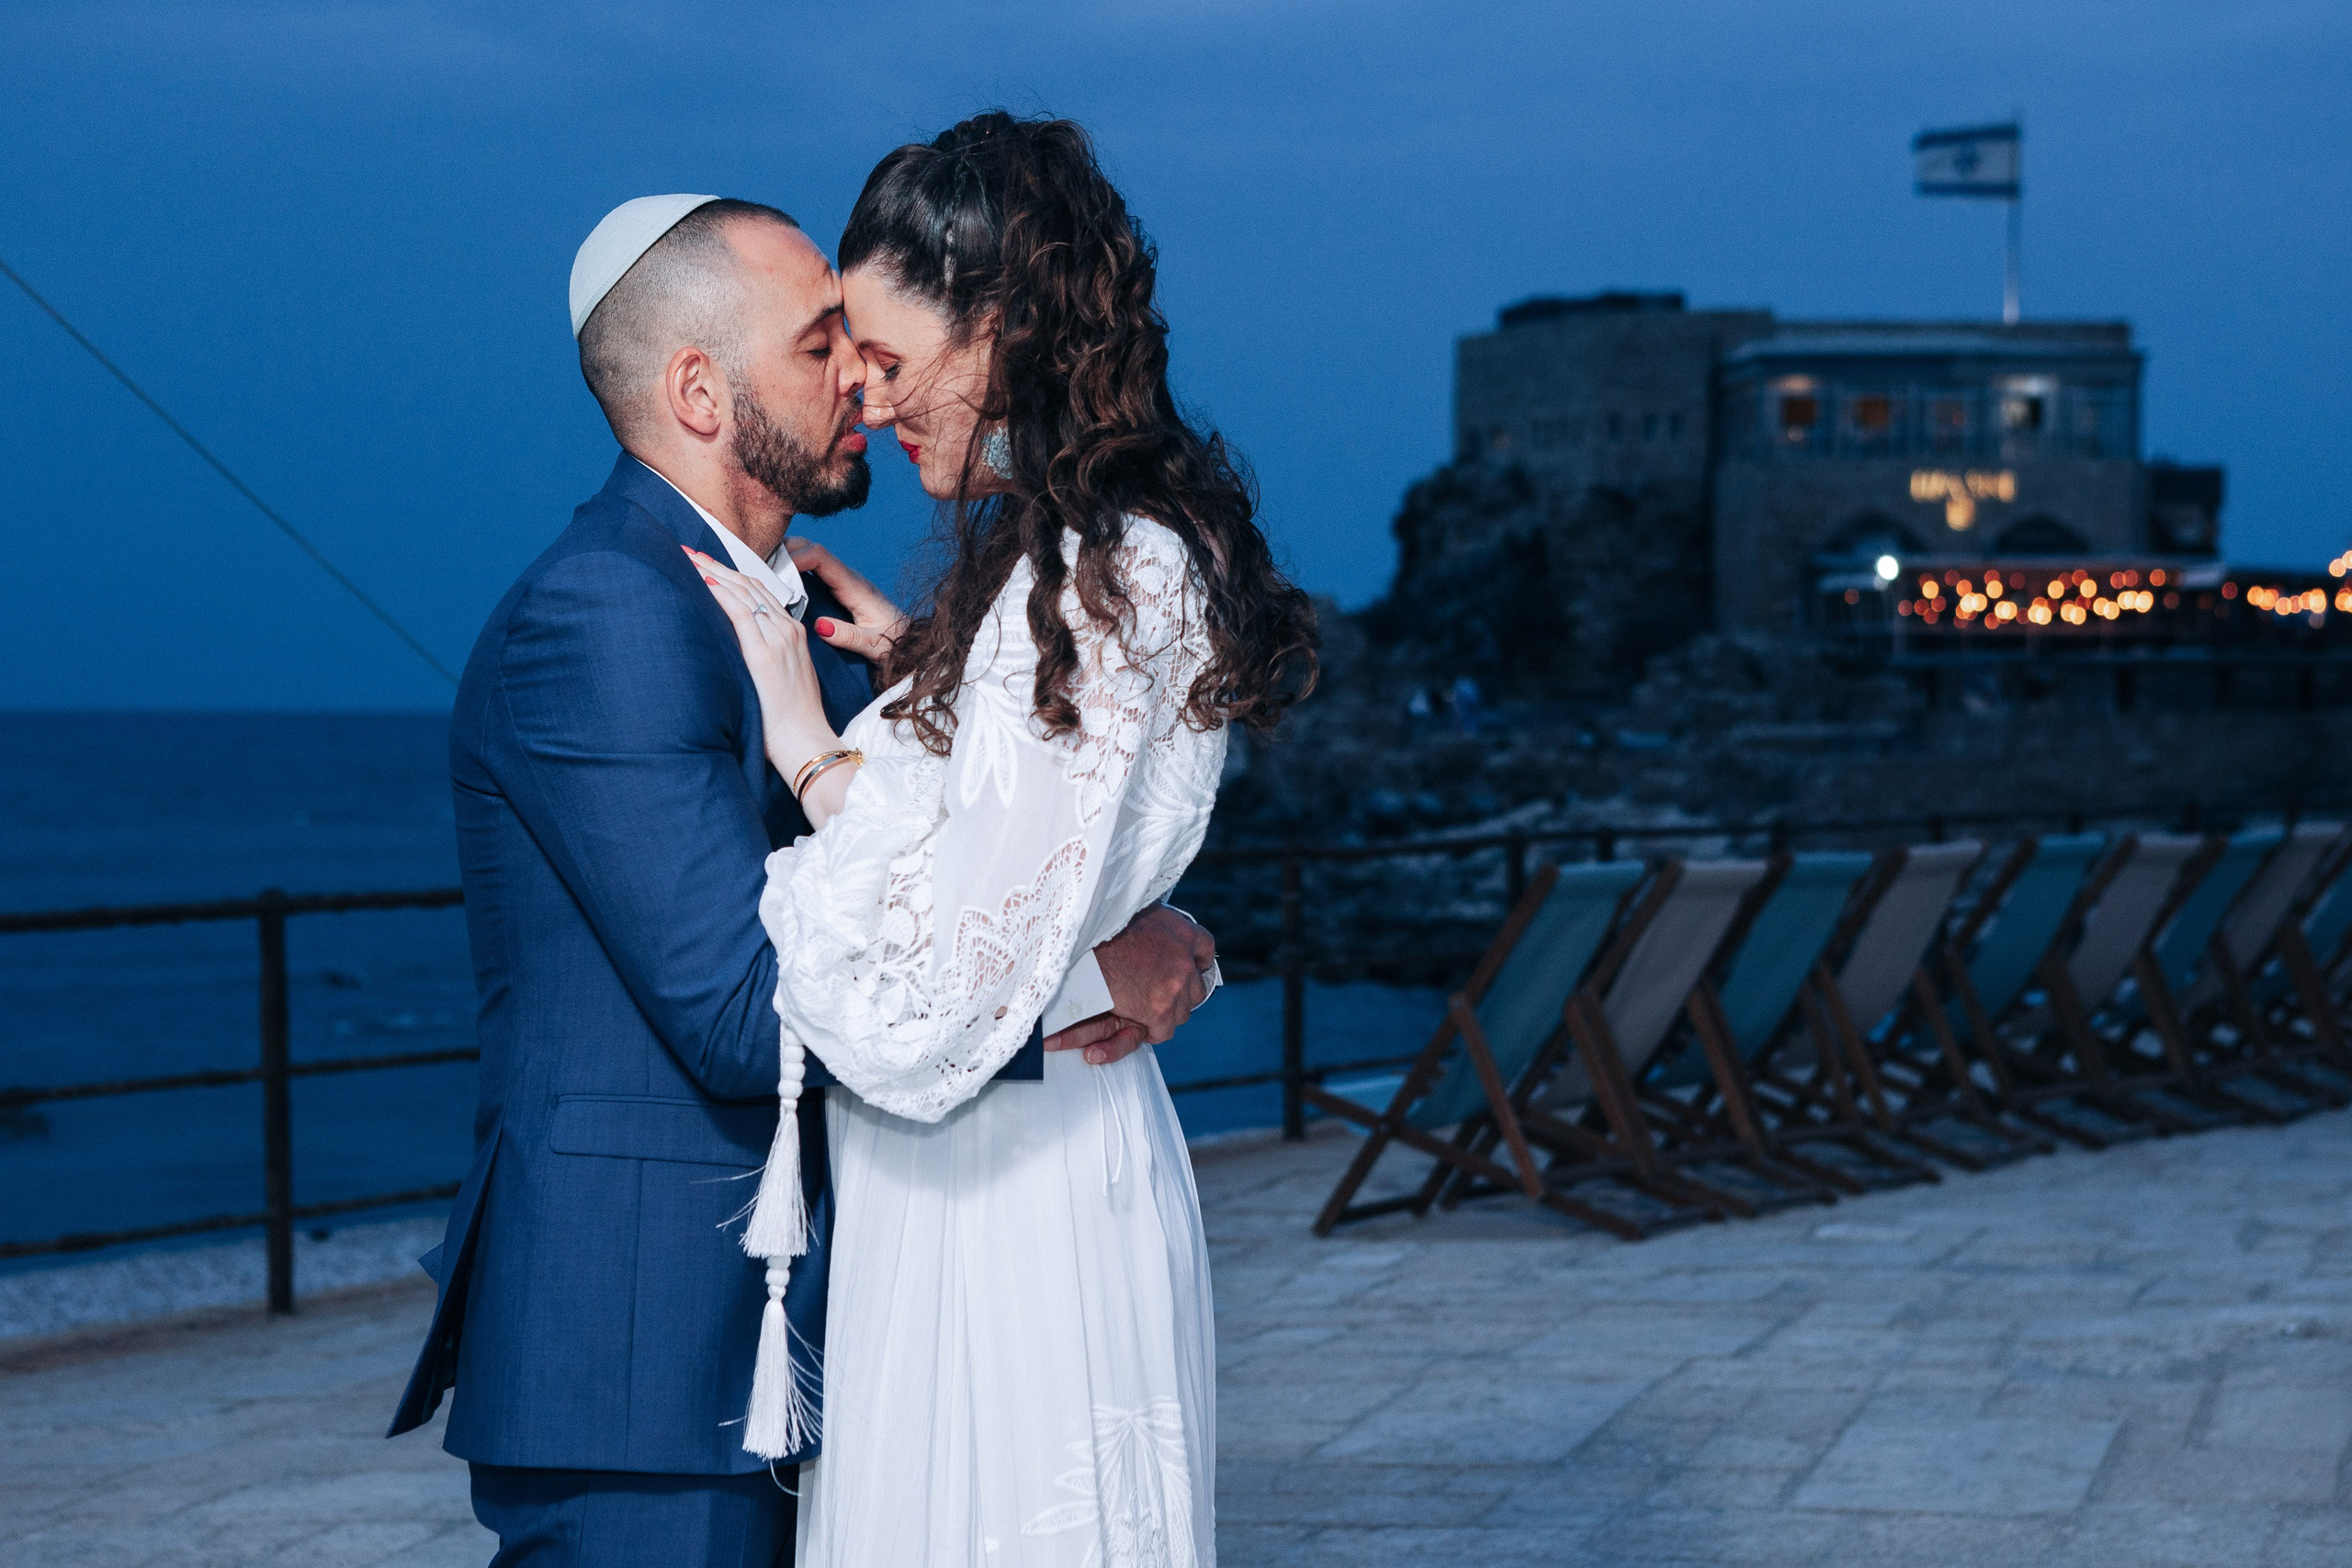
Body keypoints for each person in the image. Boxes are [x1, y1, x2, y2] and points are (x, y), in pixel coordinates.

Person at [386, 190, 1219, 1565]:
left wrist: (1107, 893)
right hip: (654, 1359)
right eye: (821, 343)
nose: (864, 379)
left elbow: (951, 863)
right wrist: (1089, 976)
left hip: (819, 1324)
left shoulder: (807, 615)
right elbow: (736, 1008)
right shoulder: (604, 613)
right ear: (699, 392)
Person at [688, 113, 1316, 1565]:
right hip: (1003, 1171)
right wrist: (929, 680)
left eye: (888, 356)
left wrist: (810, 742)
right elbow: (1037, 838)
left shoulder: (1098, 578)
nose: (863, 393)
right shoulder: (1083, 560)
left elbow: (933, 997)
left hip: (1009, 1198)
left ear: (1003, 328)